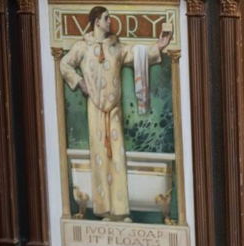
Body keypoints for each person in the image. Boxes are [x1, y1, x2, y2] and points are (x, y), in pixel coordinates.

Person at [59, 7, 172, 221]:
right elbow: (65, 65)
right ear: (96, 21)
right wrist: (80, 83)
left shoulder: (115, 47)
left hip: (114, 110)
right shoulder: (82, 47)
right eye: (106, 18)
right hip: (95, 108)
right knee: (99, 157)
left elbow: (138, 54)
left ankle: (120, 211)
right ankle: (104, 211)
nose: (110, 22)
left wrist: (159, 46)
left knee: (117, 157)